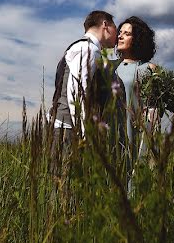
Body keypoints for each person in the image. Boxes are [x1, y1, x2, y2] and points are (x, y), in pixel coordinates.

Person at [49, 10, 122, 175]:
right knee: (66, 188)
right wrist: (84, 133)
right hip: (70, 129)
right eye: (116, 28)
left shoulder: (83, 47)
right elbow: (77, 92)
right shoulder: (88, 48)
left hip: (66, 126)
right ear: (105, 25)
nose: (117, 35)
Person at [114, 16, 157, 187]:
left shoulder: (148, 68)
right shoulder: (109, 66)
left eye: (127, 33)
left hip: (134, 134)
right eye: (120, 32)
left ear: (138, 39)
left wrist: (145, 145)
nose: (120, 36)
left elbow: (152, 112)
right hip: (110, 132)